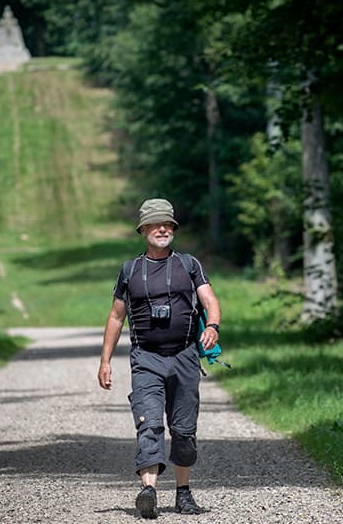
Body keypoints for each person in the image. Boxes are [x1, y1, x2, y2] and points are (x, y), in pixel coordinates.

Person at [97, 198, 222, 519]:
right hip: (146, 359)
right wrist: (105, 361)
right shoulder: (130, 271)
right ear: (143, 230)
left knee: (183, 430)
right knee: (149, 424)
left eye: (167, 224)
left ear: (173, 230)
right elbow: (115, 317)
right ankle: (148, 491)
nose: (162, 228)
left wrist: (213, 326)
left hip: (184, 357)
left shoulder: (189, 265)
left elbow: (210, 299)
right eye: (155, 224)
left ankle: (183, 494)